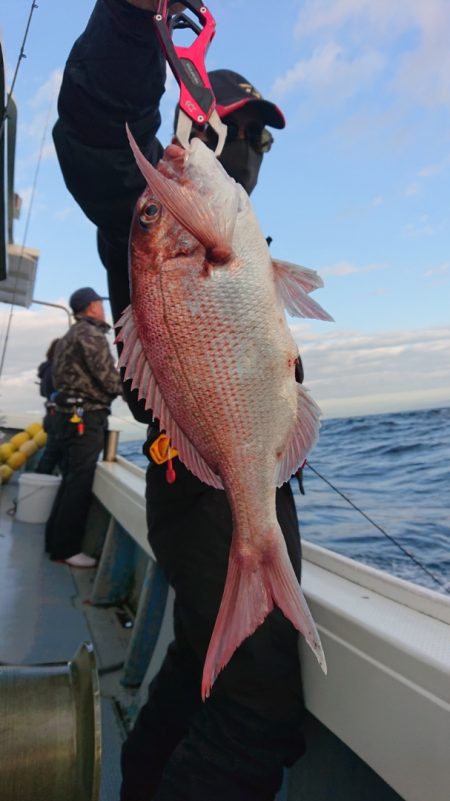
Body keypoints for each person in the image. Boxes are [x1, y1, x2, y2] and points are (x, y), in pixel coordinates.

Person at [53, 1, 307, 798]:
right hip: (204, 491)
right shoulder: (153, 209)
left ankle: (141, 778)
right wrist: (133, 20)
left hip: (238, 473)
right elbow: (98, 134)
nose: (252, 145)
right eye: (238, 127)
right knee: (258, 714)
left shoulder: (232, 227)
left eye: (262, 135)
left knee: (202, 665)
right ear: (198, 124)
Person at [45, 287, 122, 568]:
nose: (103, 307)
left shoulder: (71, 334)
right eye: (100, 303)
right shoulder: (91, 334)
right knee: (79, 481)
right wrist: (139, 393)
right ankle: (67, 548)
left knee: (70, 478)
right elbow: (108, 378)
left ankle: (54, 543)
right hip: (86, 417)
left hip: (68, 415)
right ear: (92, 307)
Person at [36, 338, 64, 475]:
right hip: (58, 416)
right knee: (52, 454)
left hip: (50, 416)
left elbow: (43, 392)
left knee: (51, 454)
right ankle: (38, 482)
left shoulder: (46, 368)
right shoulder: (57, 369)